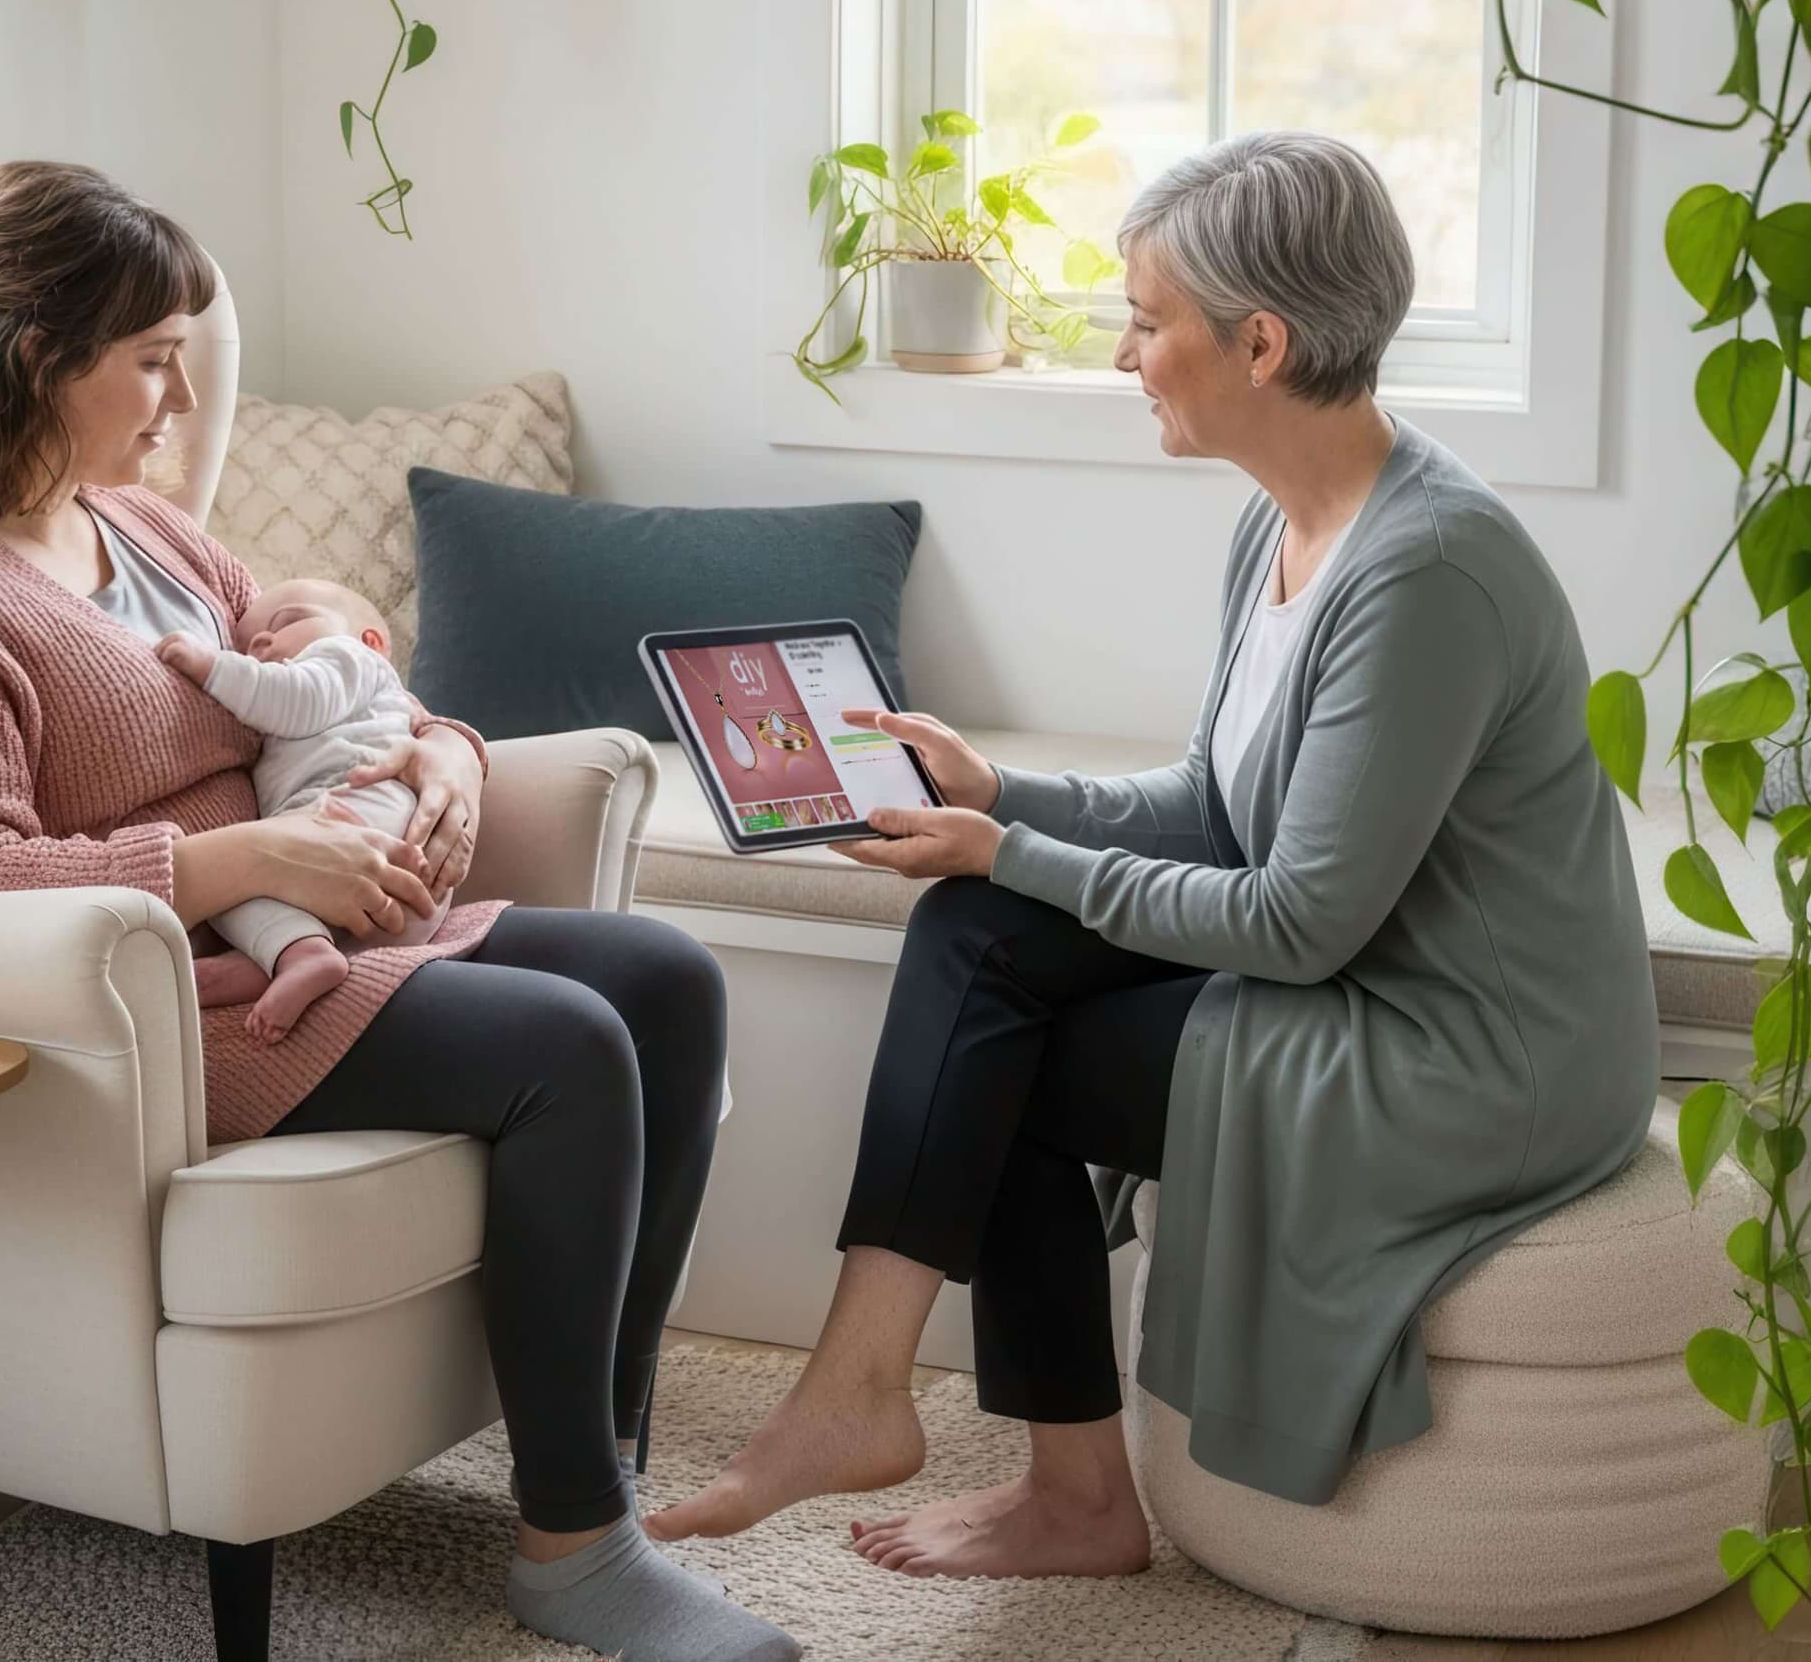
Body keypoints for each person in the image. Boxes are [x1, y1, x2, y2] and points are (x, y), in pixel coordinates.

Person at [0, 161, 796, 1662]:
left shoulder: (135, 527)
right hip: (186, 1004)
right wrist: (246, 864)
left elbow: (331, 675)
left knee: (668, 979)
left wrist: (444, 756)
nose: (172, 399)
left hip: (329, 923)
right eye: (149, 358)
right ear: (38, 357)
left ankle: (595, 1464)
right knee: (569, 1045)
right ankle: (574, 1551)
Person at [647, 131, 1659, 1580]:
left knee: (1005, 1057)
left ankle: (1028, 1474)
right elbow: (1211, 798)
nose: (1124, 351)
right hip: (1367, 963)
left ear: (1261, 340)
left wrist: (1016, 848)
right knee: (971, 932)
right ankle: (867, 1393)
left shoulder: (1427, 571)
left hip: (1476, 1049)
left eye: (1145, 318)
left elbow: (1302, 916)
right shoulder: (1285, 523)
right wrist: (1002, 795)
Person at [159, 575, 437, 1044]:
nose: (261, 642)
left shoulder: (346, 657)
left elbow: (294, 698)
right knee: (237, 884)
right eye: (245, 645)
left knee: (233, 884)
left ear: (371, 641)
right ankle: (278, 958)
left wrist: (213, 666)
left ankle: (300, 952)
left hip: (360, 812)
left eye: (287, 622)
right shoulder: (361, 690)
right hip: (379, 853)